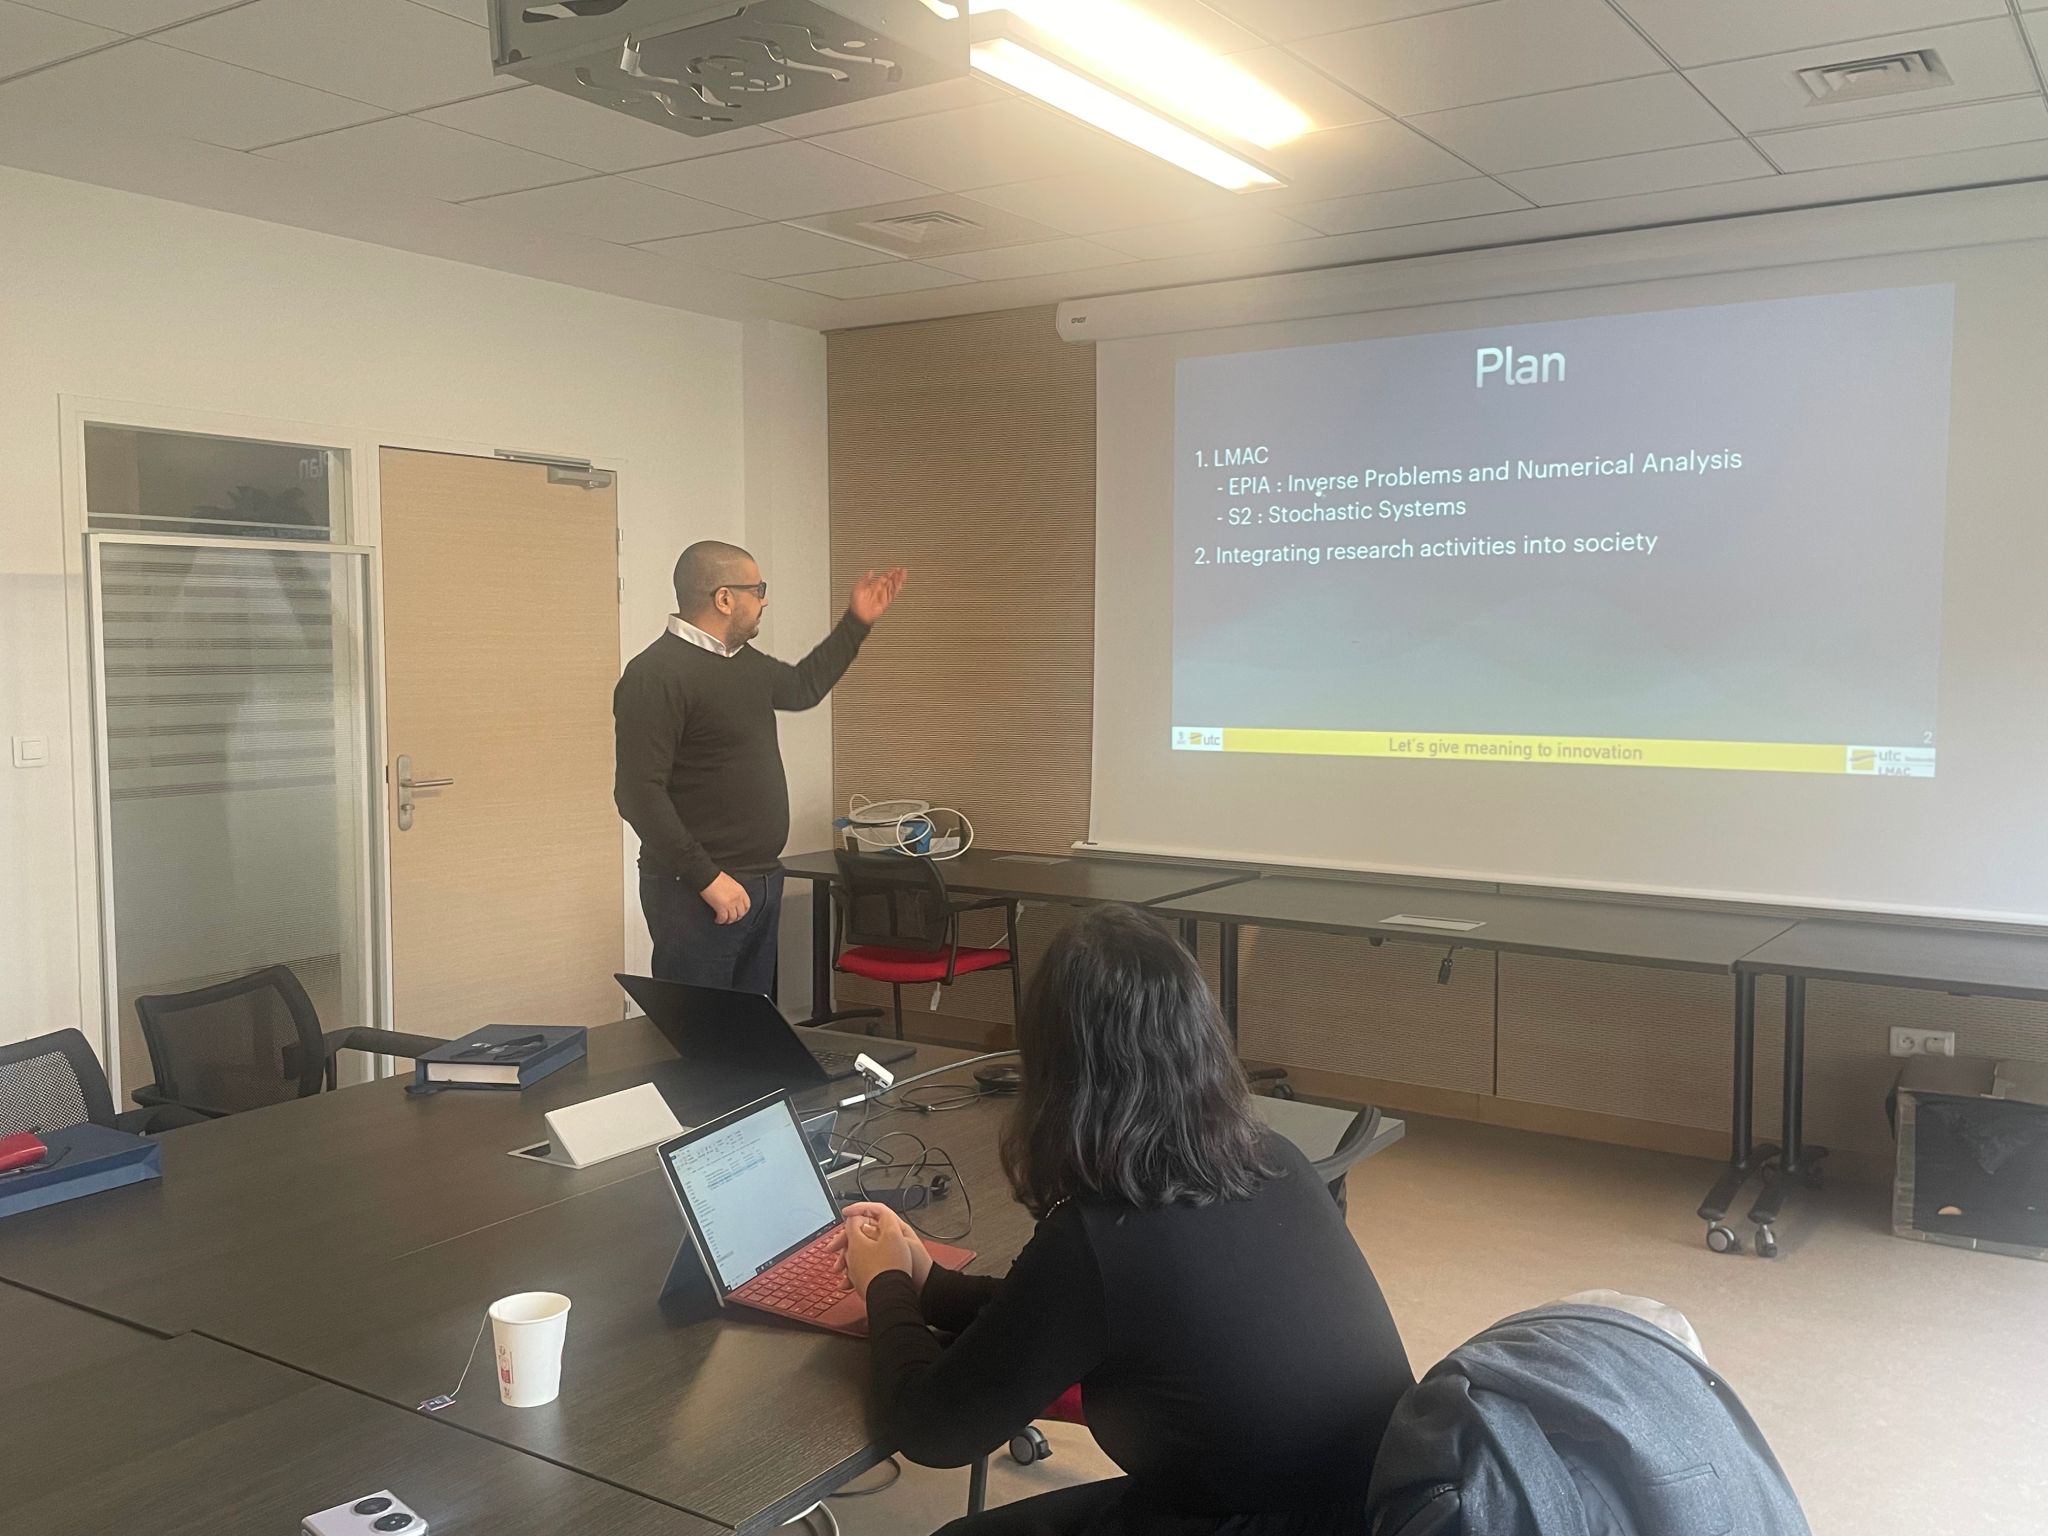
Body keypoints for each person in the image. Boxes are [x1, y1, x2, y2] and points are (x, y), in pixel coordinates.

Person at [836, 905, 1415, 1536]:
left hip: (1254, 1517)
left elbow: (933, 1431)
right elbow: (1083, 1309)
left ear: (1054, 1066)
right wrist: (931, 1285)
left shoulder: (1100, 1234)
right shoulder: (1275, 1158)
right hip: (1374, 1505)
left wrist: (885, 1283)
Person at [613, 540, 905, 992]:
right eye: (758, 589)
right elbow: (637, 793)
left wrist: (857, 622)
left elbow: (803, 687)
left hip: (761, 880)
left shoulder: (742, 663)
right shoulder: (655, 675)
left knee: (750, 1025)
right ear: (724, 598)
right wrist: (707, 878)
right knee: (703, 1028)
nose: (764, 600)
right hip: (696, 890)